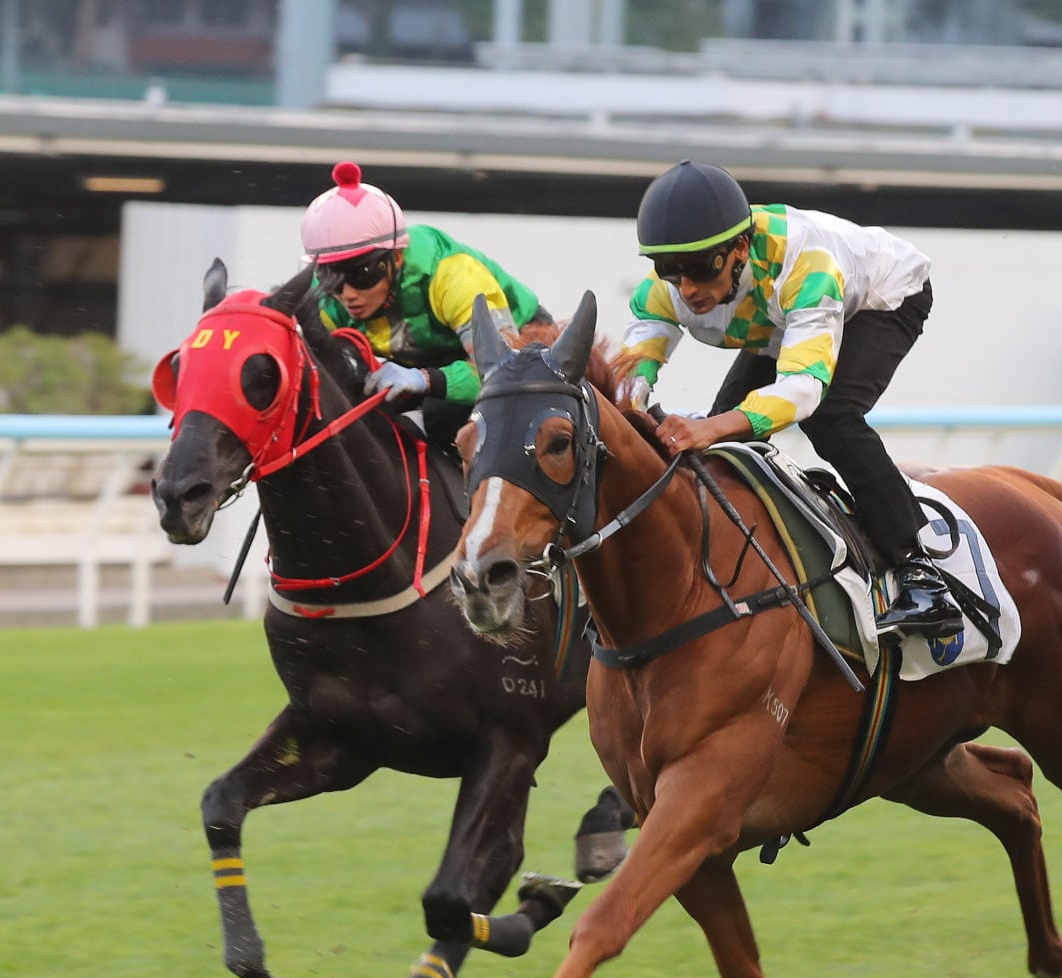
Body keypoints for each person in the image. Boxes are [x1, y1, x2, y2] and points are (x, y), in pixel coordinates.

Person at [615, 160, 961, 639]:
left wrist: (710, 427)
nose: (687, 288)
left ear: (739, 247)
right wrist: (635, 407)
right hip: (777, 320)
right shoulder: (669, 287)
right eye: (670, 270)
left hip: (884, 296)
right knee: (721, 444)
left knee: (832, 419)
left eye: (699, 268)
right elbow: (632, 370)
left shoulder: (805, 263)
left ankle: (920, 574)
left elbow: (803, 391)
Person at [299, 162, 553, 461]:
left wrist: (425, 380)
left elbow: (502, 373)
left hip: (516, 350)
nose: (348, 295)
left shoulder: (453, 275)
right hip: (422, 360)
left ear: (396, 257)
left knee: (443, 415)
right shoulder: (325, 298)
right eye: (333, 280)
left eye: (362, 273)